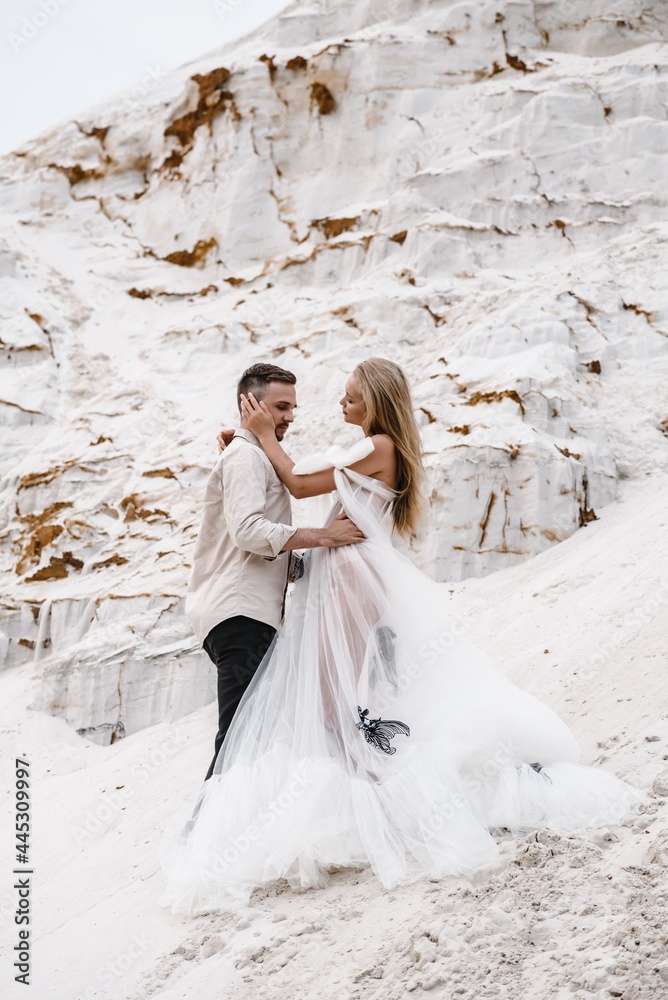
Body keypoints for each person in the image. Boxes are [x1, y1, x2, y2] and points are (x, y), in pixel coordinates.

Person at [160, 358, 647, 915]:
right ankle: (353, 806)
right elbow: (294, 474)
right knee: (328, 702)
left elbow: (296, 479)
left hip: (350, 578)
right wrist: (249, 441)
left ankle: (370, 808)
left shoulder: (380, 447)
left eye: (350, 397)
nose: (338, 405)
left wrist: (260, 435)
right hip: (336, 576)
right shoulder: (366, 450)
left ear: (375, 401)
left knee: (328, 701)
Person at [185, 362, 365, 783]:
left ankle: (221, 833)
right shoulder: (245, 456)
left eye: (293, 408)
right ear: (251, 405)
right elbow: (249, 532)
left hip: (246, 612)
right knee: (238, 741)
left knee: (251, 737)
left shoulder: (248, 454)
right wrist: (323, 536)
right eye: (281, 406)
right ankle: (203, 838)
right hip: (241, 614)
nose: (289, 416)